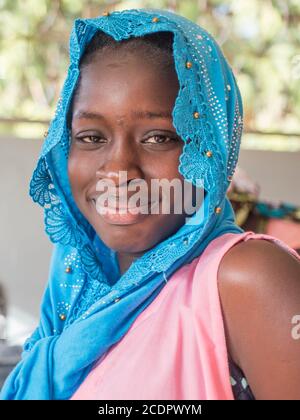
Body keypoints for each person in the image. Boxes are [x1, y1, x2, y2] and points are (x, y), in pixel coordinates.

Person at [1, 8, 300, 400]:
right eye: (91, 137)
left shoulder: (247, 279)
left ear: (209, 147)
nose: (119, 169)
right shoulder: (74, 288)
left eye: (158, 138)